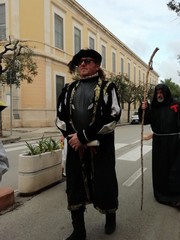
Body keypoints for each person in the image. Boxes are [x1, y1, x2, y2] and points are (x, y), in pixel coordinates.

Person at [56, 49, 121, 240]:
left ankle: (111, 217)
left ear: (97, 65)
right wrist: (74, 139)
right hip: (75, 148)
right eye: (80, 62)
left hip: (101, 148)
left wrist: (84, 137)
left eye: (87, 61)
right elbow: (60, 118)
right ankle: (79, 230)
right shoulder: (68, 89)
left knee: (105, 183)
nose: (82, 64)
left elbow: (113, 116)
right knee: (75, 187)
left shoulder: (109, 88)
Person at [139, 84, 180, 209]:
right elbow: (145, 120)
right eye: (157, 93)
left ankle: (178, 198)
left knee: (176, 169)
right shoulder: (154, 106)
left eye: (161, 92)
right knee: (161, 170)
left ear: (166, 93)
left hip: (174, 143)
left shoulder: (177, 105)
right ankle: (161, 195)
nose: (159, 95)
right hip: (159, 143)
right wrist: (143, 109)